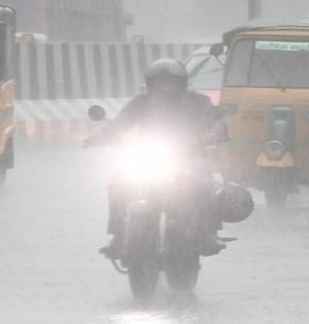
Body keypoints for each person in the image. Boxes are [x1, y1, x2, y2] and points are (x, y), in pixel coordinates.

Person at [88, 58, 226, 257]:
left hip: (188, 157)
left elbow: (215, 122)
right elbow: (120, 123)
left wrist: (213, 133)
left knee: (204, 183)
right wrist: (103, 136)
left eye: (171, 82)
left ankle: (208, 233)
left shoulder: (198, 102)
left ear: (181, 83)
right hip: (149, 156)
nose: (166, 87)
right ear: (151, 84)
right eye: (160, 82)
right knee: (118, 182)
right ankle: (119, 235)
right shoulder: (141, 102)